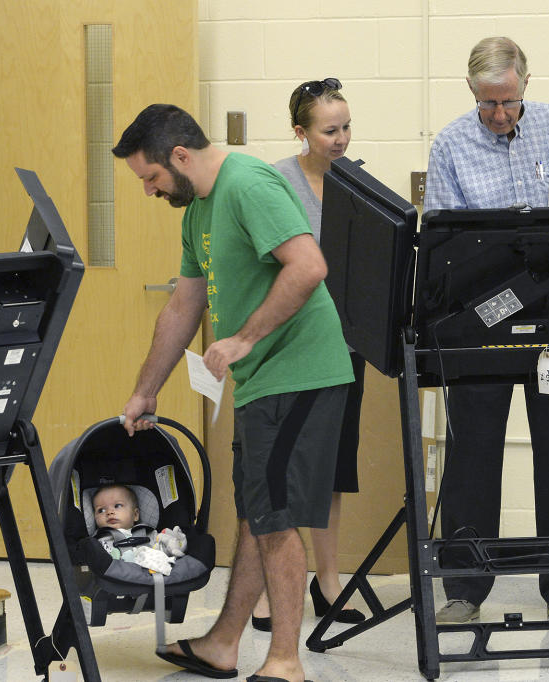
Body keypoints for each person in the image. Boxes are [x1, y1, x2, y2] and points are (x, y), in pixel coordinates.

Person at [114, 104, 354, 682]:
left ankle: (286, 661)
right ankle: (223, 644)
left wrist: (244, 338)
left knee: (274, 519)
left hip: (300, 375)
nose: (148, 191)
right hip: (261, 383)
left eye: (150, 178)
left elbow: (309, 265)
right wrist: (145, 391)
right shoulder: (196, 210)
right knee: (255, 515)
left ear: (179, 155)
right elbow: (182, 305)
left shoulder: (247, 184)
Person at [424, 36, 549, 625]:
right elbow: (443, 242)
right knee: (472, 452)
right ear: (471, 91)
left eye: (507, 101)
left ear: (526, 82)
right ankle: (464, 589)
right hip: (480, 321)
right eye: (487, 103)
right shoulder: (451, 143)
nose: (499, 115)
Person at [250, 77, 365, 632]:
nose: (340, 138)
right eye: (329, 130)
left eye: (346, 127)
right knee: (284, 473)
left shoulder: (358, 184)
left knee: (332, 470)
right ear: (300, 132)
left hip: (343, 347)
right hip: (290, 350)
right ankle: (277, 588)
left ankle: (328, 581)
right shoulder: (275, 182)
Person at [90, 484, 186, 573]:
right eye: (101, 510)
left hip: (154, 577)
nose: (109, 512)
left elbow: (162, 548)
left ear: (135, 515)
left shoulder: (148, 533)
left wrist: (171, 547)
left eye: (117, 506)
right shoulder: (98, 542)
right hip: (117, 579)